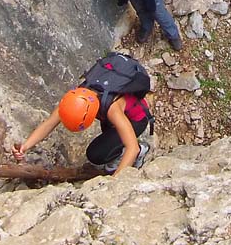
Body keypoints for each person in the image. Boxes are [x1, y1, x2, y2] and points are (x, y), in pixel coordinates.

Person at [12, 54, 153, 175]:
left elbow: (131, 148)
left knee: (96, 155)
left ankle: (143, 150)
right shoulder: (75, 98)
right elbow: (49, 123)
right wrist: (25, 146)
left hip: (136, 119)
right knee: (106, 147)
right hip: (111, 120)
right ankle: (117, 150)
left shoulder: (112, 109)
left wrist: (114, 183)